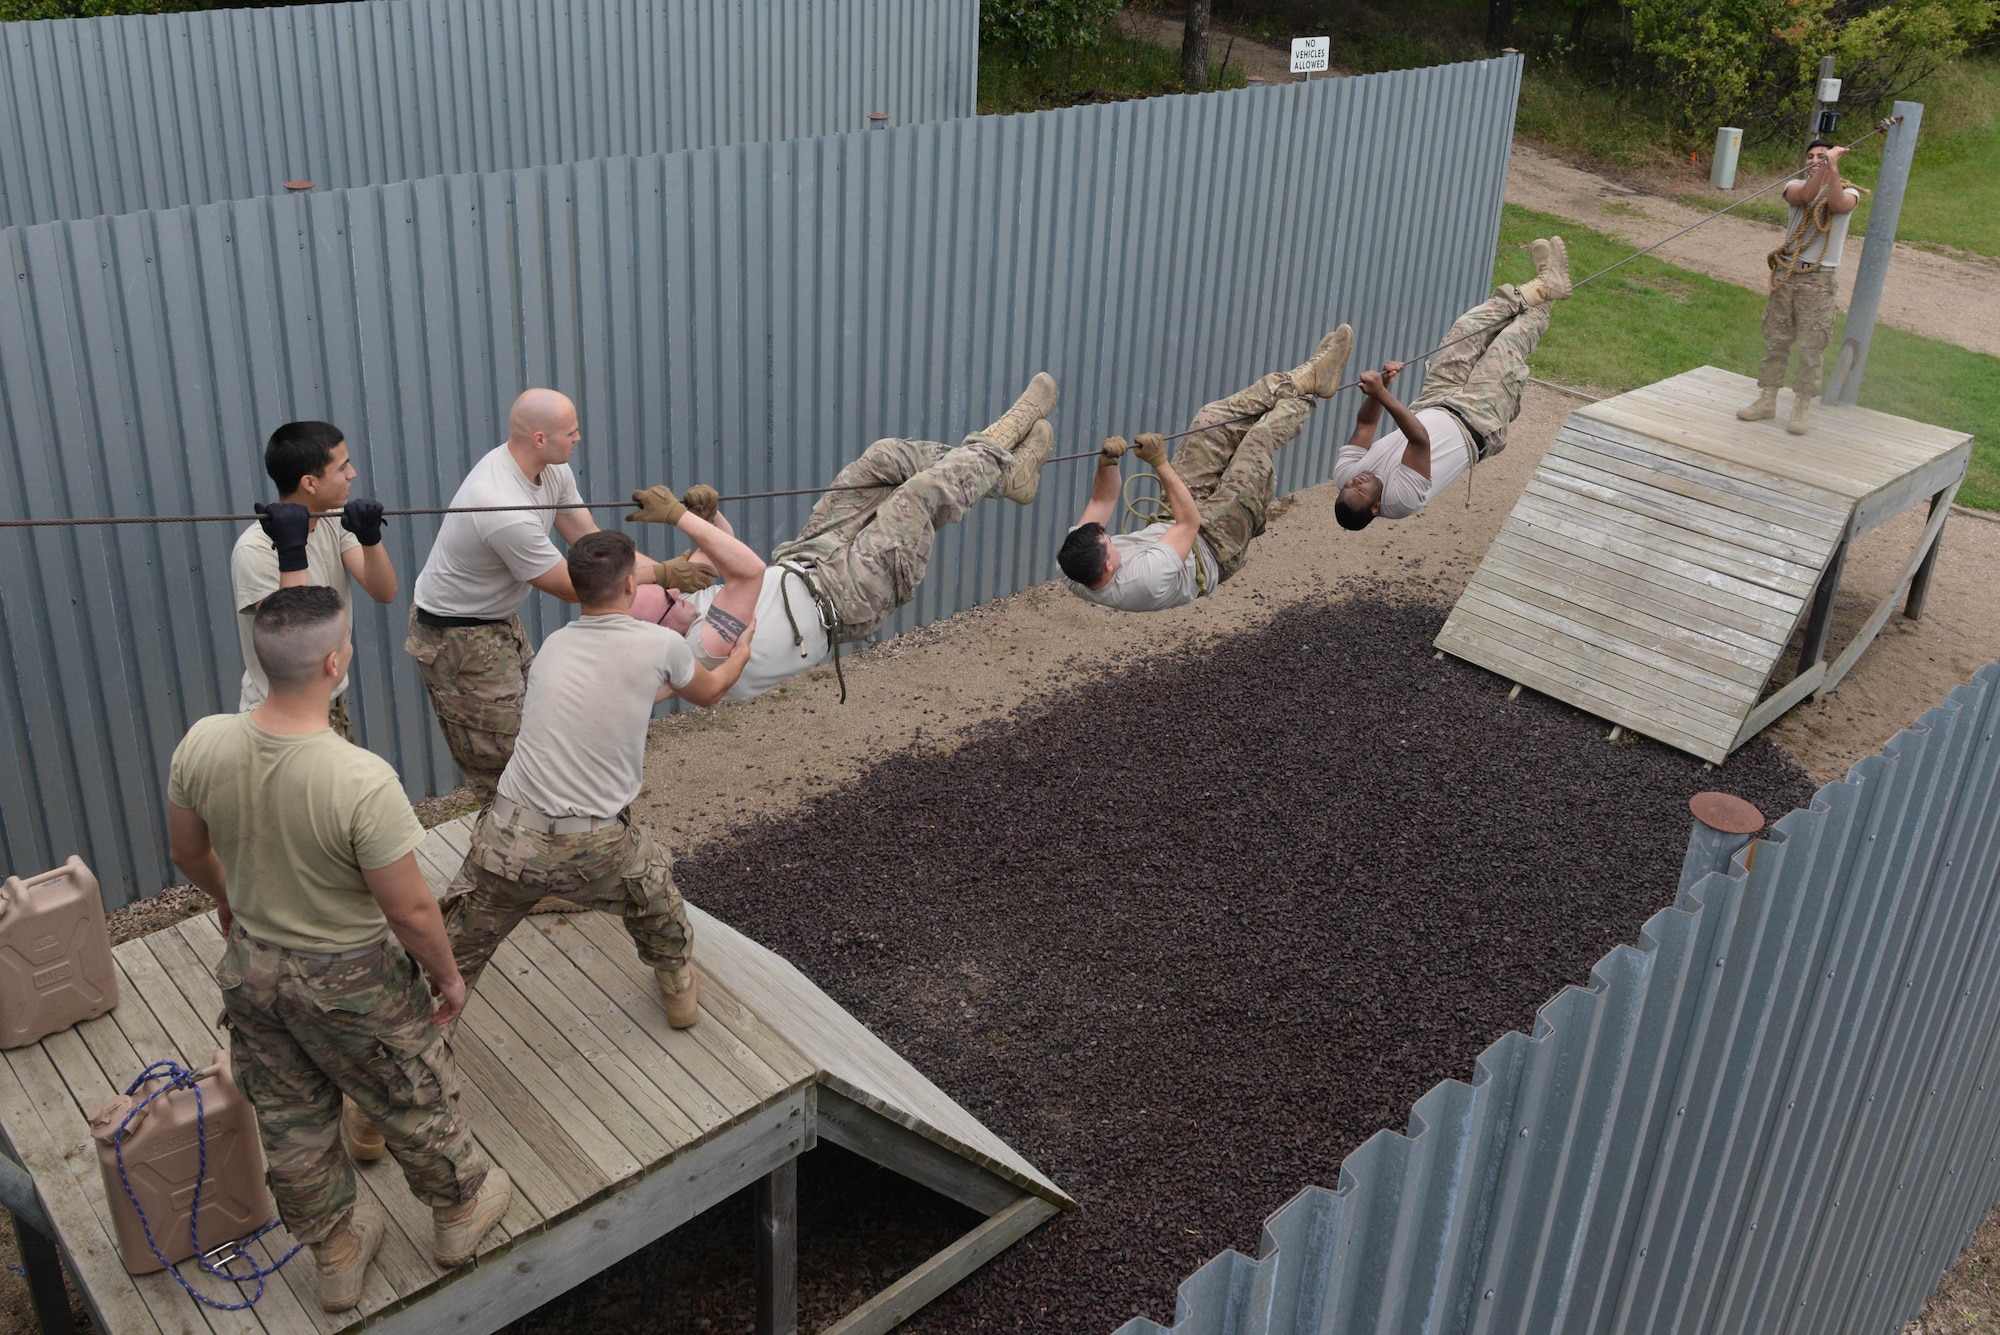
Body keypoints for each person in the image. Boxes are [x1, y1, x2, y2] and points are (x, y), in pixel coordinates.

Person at [166, 587, 510, 1314]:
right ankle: (458, 1217)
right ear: (334, 661)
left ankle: (337, 1256)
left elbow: (187, 849)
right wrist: (446, 976)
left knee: (291, 1118)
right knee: (411, 1092)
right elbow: (411, 908)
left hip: (254, 970)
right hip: (350, 977)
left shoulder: (202, 742)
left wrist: (232, 898)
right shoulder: (359, 778)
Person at [435, 529, 753, 1032]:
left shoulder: (556, 647)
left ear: (578, 588)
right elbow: (709, 691)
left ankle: (413, 1045)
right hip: (597, 845)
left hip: (507, 840)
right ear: (631, 586)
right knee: (656, 898)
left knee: (452, 954)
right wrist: (741, 651)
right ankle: (677, 992)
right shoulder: (661, 643)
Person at [625, 373, 1059, 694]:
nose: (678, 593)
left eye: (671, 589)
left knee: (882, 460)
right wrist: (682, 519)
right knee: (918, 496)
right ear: (656, 631)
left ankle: (1006, 478)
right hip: (848, 598)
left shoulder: (683, 605)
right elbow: (744, 573)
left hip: (807, 557)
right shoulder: (696, 652)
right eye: (668, 599)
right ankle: (1005, 435)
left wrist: (709, 519)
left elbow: (722, 549)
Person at [406, 388, 706, 804]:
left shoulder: (550, 469)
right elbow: (576, 584)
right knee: (504, 765)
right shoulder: (502, 507)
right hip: (457, 638)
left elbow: (592, 544)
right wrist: (663, 572)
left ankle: (544, 843)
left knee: (538, 729)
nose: (579, 438)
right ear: (540, 439)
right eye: (572, 431)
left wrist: (667, 580)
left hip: (498, 621)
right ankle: (505, 853)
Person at [1057, 327, 1351, 609]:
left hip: (1172, 523)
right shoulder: (1144, 580)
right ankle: (1306, 392)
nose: (1111, 538)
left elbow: (1102, 500)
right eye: (1110, 543)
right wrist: (1159, 462)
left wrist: (1108, 462)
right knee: (1255, 444)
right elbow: (1190, 523)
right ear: (1108, 566)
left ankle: (1302, 380)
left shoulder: (1072, 565)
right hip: (1214, 547)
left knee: (1209, 420)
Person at [1333, 237, 1571, 530]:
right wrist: (1381, 394)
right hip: (1477, 422)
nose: (1355, 481)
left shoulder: (1345, 473)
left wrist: (1382, 384)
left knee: (1466, 329)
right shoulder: (1400, 500)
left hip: (1433, 400)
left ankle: (1538, 288)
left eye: (1348, 485)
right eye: (1359, 490)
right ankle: (1546, 289)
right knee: (1508, 344)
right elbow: (1419, 439)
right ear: (1376, 507)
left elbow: (1365, 427)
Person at [231, 421, 396, 741]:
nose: (353, 474)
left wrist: (371, 538)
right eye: (343, 466)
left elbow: (384, 592)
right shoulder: (254, 550)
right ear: (309, 482)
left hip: (327, 703)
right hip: (280, 715)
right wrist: (292, 552)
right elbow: (293, 641)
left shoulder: (333, 521)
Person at [1737, 140, 1861, 435]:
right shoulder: (1793, 186)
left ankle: (1801, 407)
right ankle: (1767, 400)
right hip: (1788, 273)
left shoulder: (1849, 192)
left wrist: (1831, 169)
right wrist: (1823, 167)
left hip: (1818, 279)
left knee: (1811, 346)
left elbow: (1836, 205)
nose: (1814, 160)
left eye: (1821, 155)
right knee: (1776, 340)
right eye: (1810, 156)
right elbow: (1805, 196)